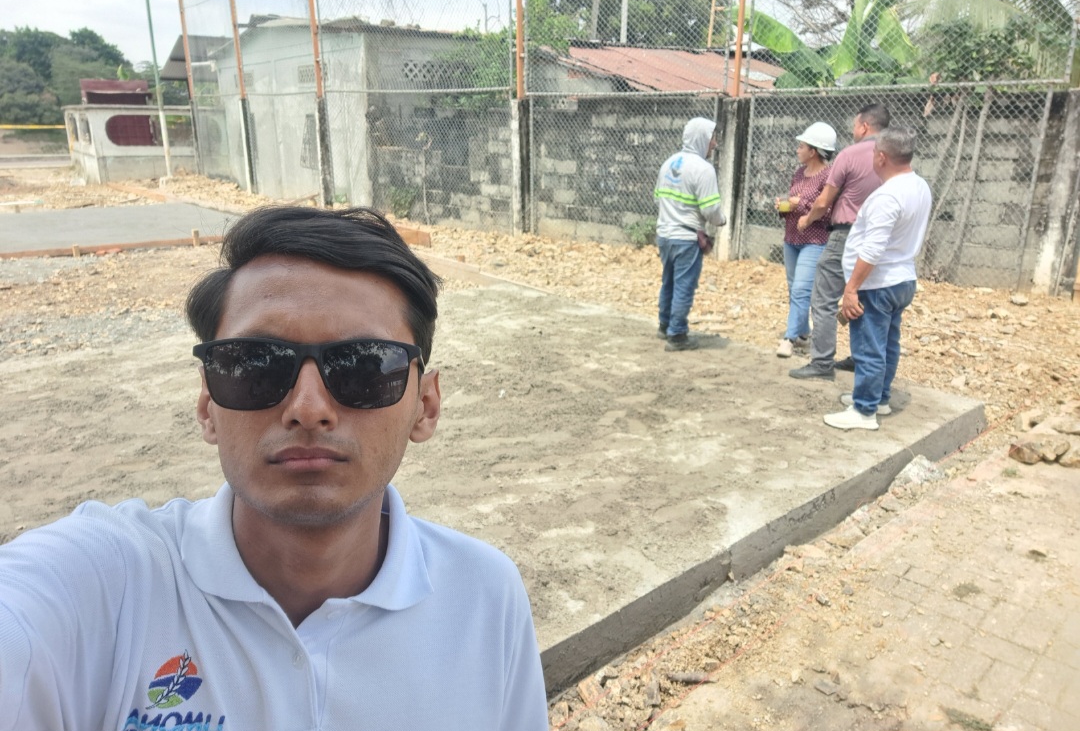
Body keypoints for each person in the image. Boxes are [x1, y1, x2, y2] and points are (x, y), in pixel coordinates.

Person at [0, 207, 548, 730]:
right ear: (207, 406)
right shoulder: (106, 589)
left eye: (363, 366)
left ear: (424, 406)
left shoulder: (484, 596)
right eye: (254, 365)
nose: (308, 409)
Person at [824, 127, 931, 430]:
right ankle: (879, 398)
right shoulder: (920, 186)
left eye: (873, 153)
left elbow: (872, 249)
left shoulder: (887, 196)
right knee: (887, 343)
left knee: (868, 347)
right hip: (902, 278)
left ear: (882, 157)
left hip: (877, 283)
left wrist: (851, 289)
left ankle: (864, 410)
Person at [789, 103, 891, 380]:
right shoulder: (893, 156)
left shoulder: (850, 155)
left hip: (846, 235)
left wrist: (807, 219)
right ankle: (862, 357)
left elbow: (824, 201)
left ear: (864, 126)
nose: (853, 130)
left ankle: (822, 363)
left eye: (855, 125)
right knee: (866, 296)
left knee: (823, 298)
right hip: (880, 237)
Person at [654, 116, 726, 351]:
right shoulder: (704, 169)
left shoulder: (668, 163)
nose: (714, 143)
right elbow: (710, 209)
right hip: (687, 238)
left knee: (669, 281)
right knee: (684, 285)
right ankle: (677, 335)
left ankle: (664, 325)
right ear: (701, 138)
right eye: (712, 137)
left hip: (665, 235)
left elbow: (658, 198)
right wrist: (721, 220)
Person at [774, 121, 837, 358]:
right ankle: (803, 335)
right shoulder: (799, 173)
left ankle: (789, 339)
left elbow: (828, 212)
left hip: (814, 240)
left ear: (813, 151)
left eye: (801, 146)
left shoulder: (829, 176)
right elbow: (794, 202)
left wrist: (801, 204)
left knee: (801, 289)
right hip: (792, 238)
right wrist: (783, 206)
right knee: (794, 288)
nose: (797, 150)